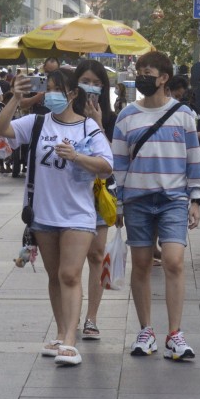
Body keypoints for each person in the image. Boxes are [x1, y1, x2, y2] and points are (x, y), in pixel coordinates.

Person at [0, 67, 114, 367]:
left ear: (73, 94)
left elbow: (106, 165)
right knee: (53, 276)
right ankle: (62, 333)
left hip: (78, 214)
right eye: (47, 88)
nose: (50, 94)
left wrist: (77, 157)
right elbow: (1, 129)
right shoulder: (36, 123)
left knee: (70, 274)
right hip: (43, 214)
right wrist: (15, 99)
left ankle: (71, 342)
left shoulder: (89, 128)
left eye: (56, 89)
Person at [112, 51, 200, 362]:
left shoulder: (183, 114)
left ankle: (175, 334)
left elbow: (194, 158)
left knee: (174, 262)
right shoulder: (127, 116)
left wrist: (195, 199)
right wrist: (119, 204)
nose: (142, 75)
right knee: (140, 264)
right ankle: (146, 331)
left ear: (164, 77)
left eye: (147, 70)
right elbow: (119, 164)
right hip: (137, 199)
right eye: (139, 70)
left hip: (173, 200)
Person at [74, 59, 118, 342]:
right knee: (72, 258)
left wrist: (100, 124)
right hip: (71, 195)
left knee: (96, 254)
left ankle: (92, 317)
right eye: (86, 81)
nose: (91, 87)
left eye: (96, 83)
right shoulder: (66, 113)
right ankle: (71, 313)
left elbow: (113, 160)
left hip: (100, 194)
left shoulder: (113, 118)